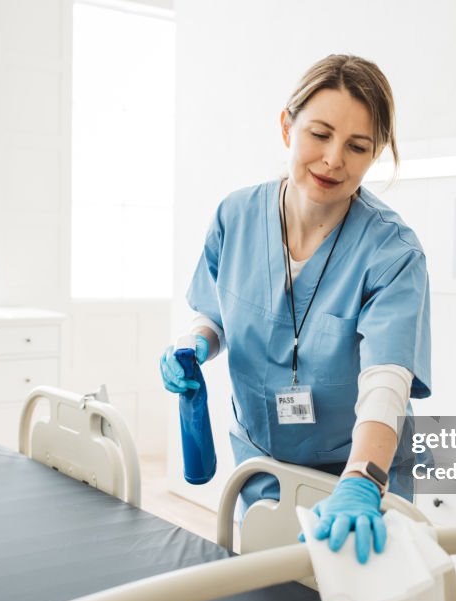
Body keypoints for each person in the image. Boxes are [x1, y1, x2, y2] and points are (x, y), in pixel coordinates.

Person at [160, 54, 431, 564]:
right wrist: (196, 344)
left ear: (375, 156)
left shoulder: (392, 252)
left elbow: (385, 383)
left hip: (356, 476)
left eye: (357, 146)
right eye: (320, 134)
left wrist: (362, 482)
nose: (333, 160)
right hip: (263, 466)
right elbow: (215, 311)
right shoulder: (234, 216)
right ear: (288, 127)